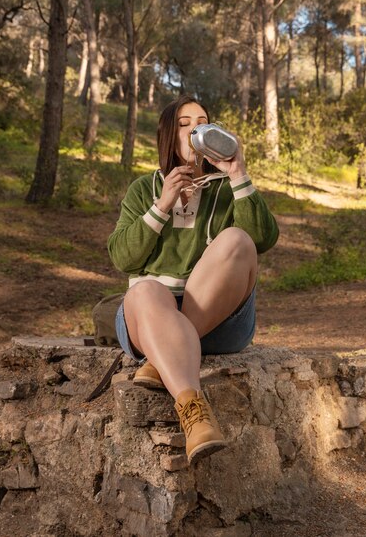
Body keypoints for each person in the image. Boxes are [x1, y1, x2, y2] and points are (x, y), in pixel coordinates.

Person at [106, 94, 279, 464]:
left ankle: (164, 354)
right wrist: (162, 205)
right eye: (185, 124)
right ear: (169, 135)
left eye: (203, 122)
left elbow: (261, 241)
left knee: (236, 239)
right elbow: (122, 257)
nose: (196, 129)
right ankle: (194, 414)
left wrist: (237, 173)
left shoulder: (225, 188)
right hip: (148, 317)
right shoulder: (143, 189)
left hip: (219, 322)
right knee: (147, 290)